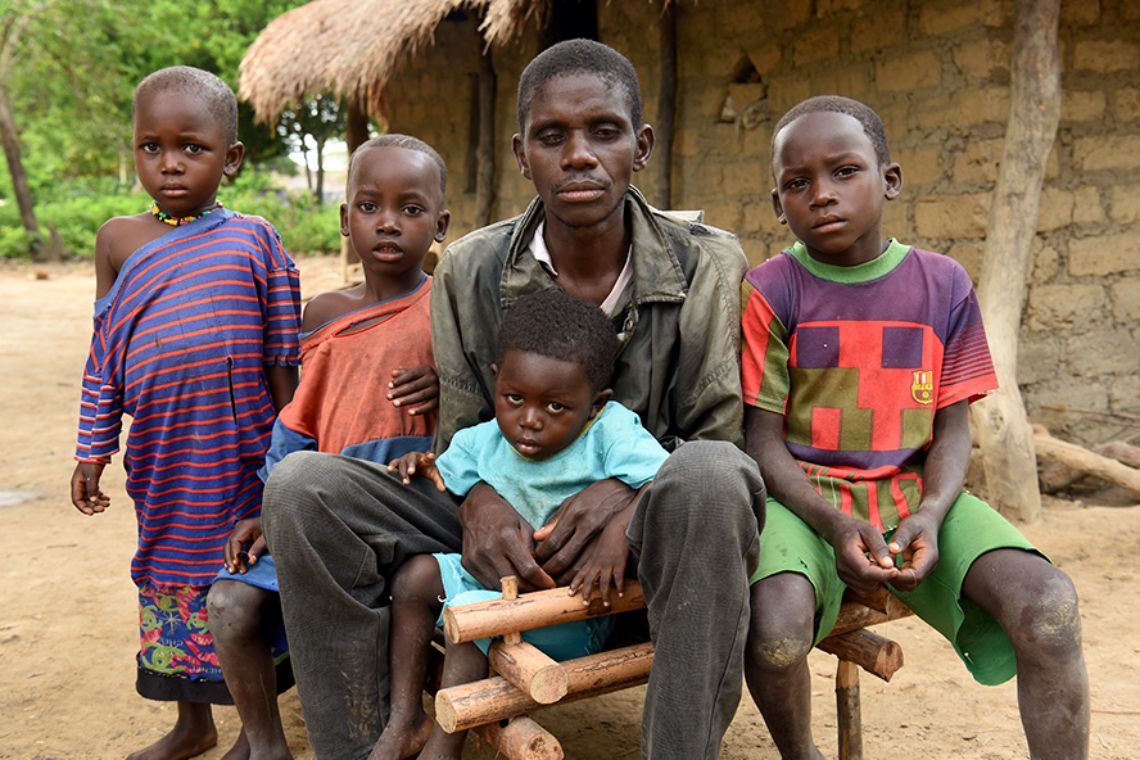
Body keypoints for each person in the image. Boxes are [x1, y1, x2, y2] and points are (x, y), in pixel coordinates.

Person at [262, 39, 766, 760]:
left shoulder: (707, 263)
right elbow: (463, 435)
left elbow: (714, 441)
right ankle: (364, 741)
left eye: (605, 131)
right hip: (505, 519)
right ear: (522, 154)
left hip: (641, 536)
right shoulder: (471, 267)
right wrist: (479, 501)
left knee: (714, 477)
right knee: (300, 487)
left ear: (642, 146)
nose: (579, 156)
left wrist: (627, 496)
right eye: (551, 136)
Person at [741, 95, 1089, 760]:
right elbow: (760, 439)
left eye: (845, 171)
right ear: (778, 204)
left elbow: (952, 427)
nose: (822, 194)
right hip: (804, 500)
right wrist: (832, 523)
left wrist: (931, 511)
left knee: (1049, 606)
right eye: (798, 183)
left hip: (912, 495)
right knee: (775, 634)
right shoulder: (771, 289)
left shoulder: (944, 284)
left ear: (890, 180)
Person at [68, 66, 302, 760]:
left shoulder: (255, 240)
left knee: (241, 577)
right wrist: (92, 448)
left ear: (231, 158)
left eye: (191, 148)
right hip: (162, 456)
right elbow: (105, 355)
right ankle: (192, 724)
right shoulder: (117, 240)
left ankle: (257, 732)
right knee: (168, 576)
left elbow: (284, 359)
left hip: (240, 453)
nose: (169, 164)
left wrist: (292, 457)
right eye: (152, 147)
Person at [206, 134, 449, 760]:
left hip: (404, 508)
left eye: (411, 209)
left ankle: (373, 731)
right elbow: (299, 422)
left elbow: (484, 410)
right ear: (346, 219)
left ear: (441, 225)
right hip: (312, 506)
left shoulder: (448, 311)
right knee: (229, 604)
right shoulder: (323, 313)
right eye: (369, 206)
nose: (388, 222)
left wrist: (447, 384)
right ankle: (265, 745)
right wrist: (268, 508)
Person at [376, 289, 669, 760]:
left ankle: (443, 750)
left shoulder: (611, 432)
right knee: (414, 577)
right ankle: (404, 717)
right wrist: (418, 462)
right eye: (514, 398)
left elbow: (668, 481)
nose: (529, 421)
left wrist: (619, 532)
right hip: (496, 591)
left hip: (570, 608)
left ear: (596, 404)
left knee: (471, 614)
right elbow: (441, 477)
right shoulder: (481, 441)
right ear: (497, 381)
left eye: (556, 407)